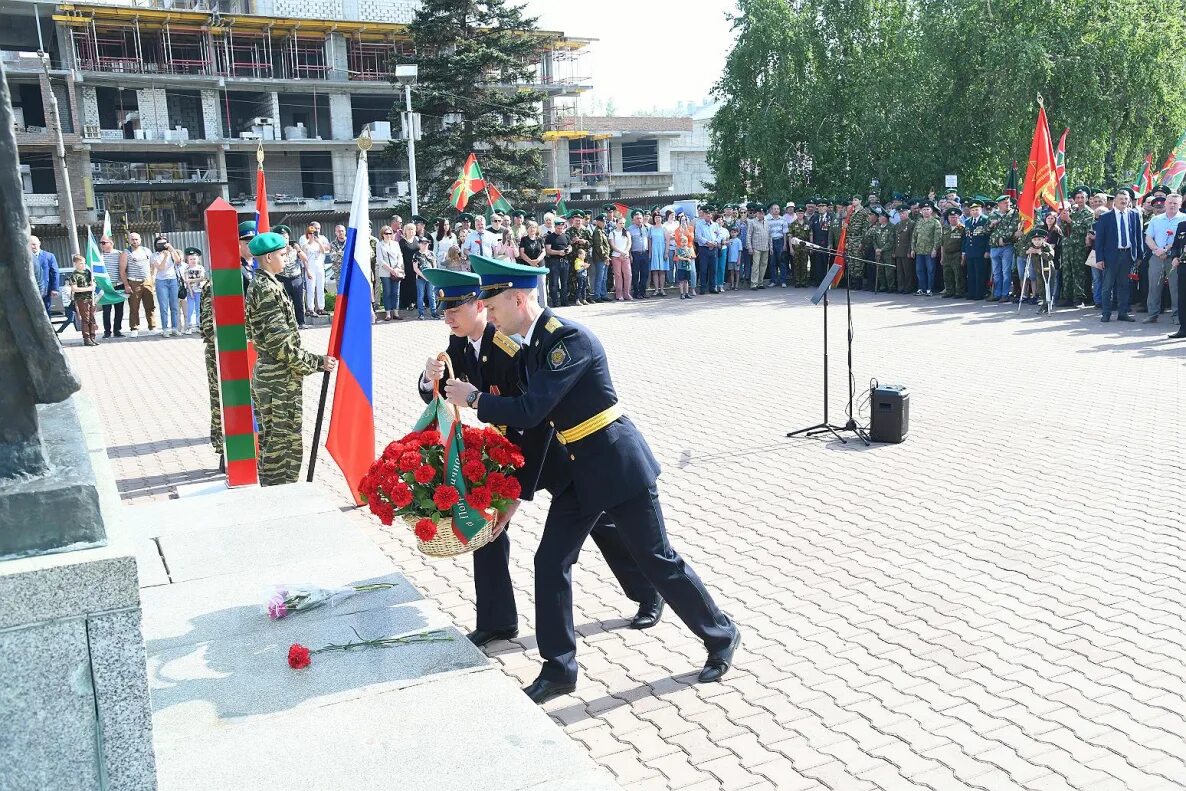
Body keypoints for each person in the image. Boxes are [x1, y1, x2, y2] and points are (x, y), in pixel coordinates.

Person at [446, 255, 741, 705]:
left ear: (519, 298)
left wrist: (477, 399)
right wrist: (512, 496)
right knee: (550, 562)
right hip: (577, 472)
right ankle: (560, 668)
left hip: (616, 465)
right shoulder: (532, 346)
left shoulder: (568, 340)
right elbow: (535, 430)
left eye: (495, 305)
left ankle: (721, 634)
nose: (492, 315)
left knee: (657, 559)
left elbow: (531, 410)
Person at [419, 267, 661, 647]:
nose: (447, 318)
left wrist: (515, 493)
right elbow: (445, 393)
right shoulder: (460, 346)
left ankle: (647, 592)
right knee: (487, 527)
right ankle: (498, 620)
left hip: (552, 453)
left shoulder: (512, 346)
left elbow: (537, 420)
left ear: (480, 306)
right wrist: (427, 377)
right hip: (506, 453)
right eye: (443, 311)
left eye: (454, 309)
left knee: (603, 524)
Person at [244, 232, 337, 486]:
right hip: (277, 379)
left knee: (285, 440)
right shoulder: (265, 289)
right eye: (283, 254)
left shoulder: (269, 283)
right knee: (279, 445)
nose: (287, 258)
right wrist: (318, 362)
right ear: (269, 257)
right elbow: (280, 344)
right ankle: (277, 499)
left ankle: (283, 493)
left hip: (282, 377)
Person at [1094, 187, 1141, 323]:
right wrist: (1100, 258)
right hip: (1111, 256)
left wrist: (1138, 256)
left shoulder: (1134, 215)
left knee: (1124, 285)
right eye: (1120, 199)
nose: (1123, 201)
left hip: (1127, 255)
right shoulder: (1105, 217)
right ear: (1114, 201)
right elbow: (1100, 240)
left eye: (1126, 199)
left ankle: (1123, 313)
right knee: (1107, 286)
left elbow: (1137, 236)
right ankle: (1106, 313)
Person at [1143, 191, 1183, 323]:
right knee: (1154, 286)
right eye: (1170, 202)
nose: (1172, 205)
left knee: (1176, 288)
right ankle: (1152, 314)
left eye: (1175, 203)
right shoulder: (1156, 219)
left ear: (1180, 204)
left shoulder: (1184, 219)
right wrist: (1156, 249)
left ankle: (1177, 315)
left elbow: (1181, 241)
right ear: (1165, 203)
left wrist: (1166, 249)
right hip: (1156, 257)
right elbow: (1148, 238)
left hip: (1176, 258)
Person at [198, 274, 223, 470]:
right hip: (222, 354)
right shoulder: (218, 281)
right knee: (222, 402)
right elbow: (209, 326)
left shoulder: (252, 274)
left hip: (248, 353)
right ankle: (225, 450)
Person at [120, 231, 156, 336]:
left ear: (140, 240)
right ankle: (134, 328)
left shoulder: (147, 251)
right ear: (129, 240)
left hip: (147, 281)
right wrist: (126, 284)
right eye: (132, 239)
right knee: (134, 307)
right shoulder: (126, 253)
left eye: (136, 239)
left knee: (150, 305)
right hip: (134, 282)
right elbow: (122, 270)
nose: (135, 241)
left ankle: (152, 326)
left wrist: (153, 277)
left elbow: (153, 264)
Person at [987, 196, 1020, 302]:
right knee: (996, 272)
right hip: (994, 247)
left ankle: (1005, 294)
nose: (1007, 204)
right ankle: (996, 293)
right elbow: (985, 230)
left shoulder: (1014, 214)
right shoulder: (992, 215)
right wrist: (991, 225)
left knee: (1006, 272)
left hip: (1007, 246)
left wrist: (1004, 239)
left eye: (1008, 202)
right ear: (999, 204)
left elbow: (1014, 229)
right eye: (1005, 203)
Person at [151, 234, 182, 336]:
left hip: (173, 280)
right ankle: (165, 329)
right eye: (160, 243)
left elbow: (178, 261)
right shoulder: (154, 255)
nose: (162, 245)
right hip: (161, 282)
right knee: (164, 306)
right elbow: (161, 268)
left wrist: (171, 249)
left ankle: (174, 328)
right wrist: (164, 256)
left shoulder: (171, 252)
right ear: (156, 245)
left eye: (164, 243)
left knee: (174, 306)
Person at [1020, 226, 1055, 313]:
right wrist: (1027, 252)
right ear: (1032, 240)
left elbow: (1051, 256)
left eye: (1039, 239)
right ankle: (1044, 303)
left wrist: (1040, 253)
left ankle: (1047, 305)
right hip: (1038, 270)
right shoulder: (1030, 245)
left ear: (1043, 239)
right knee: (1041, 288)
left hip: (1047, 270)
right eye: (1035, 240)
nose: (1037, 242)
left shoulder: (1046, 246)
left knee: (1048, 287)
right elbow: (1021, 253)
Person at [65, 254, 97, 347]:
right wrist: (88, 289)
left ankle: (93, 337)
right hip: (81, 299)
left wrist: (93, 285)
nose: (83, 265)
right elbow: (74, 289)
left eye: (84, 263)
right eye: (80, 263)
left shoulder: (87, 272)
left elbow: (93, 282)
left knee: (92, 318)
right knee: (85, 319)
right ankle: (87, 338)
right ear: (75, 264)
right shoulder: (74, 275)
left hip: (91, 298)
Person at [961, 201, 991, 300]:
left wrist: (987, 250)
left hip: (981, 251)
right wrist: (964, 252)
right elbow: (965, 237)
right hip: (970, 251)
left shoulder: (985, 220)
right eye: (973, 210)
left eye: (977, 210)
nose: (974, 212)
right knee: (971, 273)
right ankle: (972, 293)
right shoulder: (968, 221)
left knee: (980, 273)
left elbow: (988, 237)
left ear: (981, 210)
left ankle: (980, 293)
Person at [911, 202, 942, 296]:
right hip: (919, 250)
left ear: (931, 211)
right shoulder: (919, 221)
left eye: (928, 209)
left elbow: (938, 237)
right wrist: (912, 249)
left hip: (929, 251)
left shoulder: (935, 222)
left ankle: (929, 289)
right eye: (924, 210)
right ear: (921, 211)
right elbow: (914, 236)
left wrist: (935, 249)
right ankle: (921, 288)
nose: (926, 211)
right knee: (919, 270)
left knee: (930, 270)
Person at [376, 224, 404, 321]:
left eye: (390, 233)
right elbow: (380, 260)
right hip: (385, 272)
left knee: (396, 293)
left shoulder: (395, 244)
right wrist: (391, 270)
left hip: (396, 271)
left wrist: (396, 268)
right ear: (382, 234)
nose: (388, 235)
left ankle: (396, 312)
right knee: (387, 292)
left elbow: (400, 257)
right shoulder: (379, 244)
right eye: (386, 233)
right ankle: (388, 313)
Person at [301, 223, 330, 317]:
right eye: (311, 233)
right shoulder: (305, 245)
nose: (313, 235)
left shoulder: (318, 243)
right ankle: (310, 308)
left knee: (321, 288)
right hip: (310, 268)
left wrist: (319, 242)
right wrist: (307, 270)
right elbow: (304, 259)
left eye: (314, 233)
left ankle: (321, 307)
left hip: (319, 267)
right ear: (308, 235)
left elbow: (323, 251)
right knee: (311, 289)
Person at [99, 236, 125, 338]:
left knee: (119, 310)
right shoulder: (99, 256)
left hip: (119, 285)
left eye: (104, 242)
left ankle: (117, 330)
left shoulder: (120, 254)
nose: (102, 244)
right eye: (101, 243)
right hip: (106, 287)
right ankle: (107, 331)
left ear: (111, 243)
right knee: (106, 310)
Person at [518, 219, 548, 309]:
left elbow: (544, 251)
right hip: (528, 266)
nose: (532, 229)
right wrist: (531, 262)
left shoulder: (540, 239)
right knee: (530, 286)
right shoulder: (524, 240)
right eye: (531, 227)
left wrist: (537, 260)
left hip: (540, 265)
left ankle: (543, 306)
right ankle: (531, 306)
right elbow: (522, 253)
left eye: (534, 227)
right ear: (527, 229)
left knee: (542, 285)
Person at [1166, 209, 1186, 339]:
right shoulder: (1182, 225)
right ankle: (1183, 328)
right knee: (1183, 299)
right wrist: (1174, 257)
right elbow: (1175, 246)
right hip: (1183, 266)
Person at [544, 216, 572, 307]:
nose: (560, 230)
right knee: (554, 283)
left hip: (565, 262)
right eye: (558, 228)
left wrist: (568, 250)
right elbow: (548, 250)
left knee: (564, 283)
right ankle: (555, 302)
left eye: (561, 228)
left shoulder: (566, 236)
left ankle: (564, 302)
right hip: (554, 262)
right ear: (555, 227)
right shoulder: (550, 237)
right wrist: (559, 252)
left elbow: (570, 246)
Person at [939, 207, 966, 298]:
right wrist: (942, 257)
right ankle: (949, 291)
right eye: (951, 217)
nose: (953, 219)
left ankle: (959, 292)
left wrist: (963, 257)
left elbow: (964, 244)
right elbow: (942, 244)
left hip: (957, 254)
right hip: (946, 254)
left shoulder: (962, 228)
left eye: (955, 217)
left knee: (958, 274)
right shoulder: (945, 228)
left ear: (959, 218)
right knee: (947, 273)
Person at [30, 235, 59, 317]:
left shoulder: (49, 256)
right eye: (31, 244)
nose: (33, 246)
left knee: (46, 312)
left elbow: (55, 272)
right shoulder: (26, 258)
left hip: (45, 290)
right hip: (31, 290)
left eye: (35, 244)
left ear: (39, 243)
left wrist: (55, 288)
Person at [412, 235, 440, 320]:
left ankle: (434, 313)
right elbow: (415, 268)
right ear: (419, 244)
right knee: (420, 295)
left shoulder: (432, 254)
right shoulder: (416, 254)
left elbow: (434, 266)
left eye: (426, 243)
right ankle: (421, 313)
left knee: (431, 295)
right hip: (420, 277)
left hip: (431, 278)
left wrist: (432, 276)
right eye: (423, 243)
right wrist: (424, 276)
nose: (425, 245)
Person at [745, 206, 771, 289]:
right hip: (756, 247)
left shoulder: (767, 222)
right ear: (756, 213)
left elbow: (770, 235)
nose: (761, 215)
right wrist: (749, 247)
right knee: (755, 266)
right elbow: (748, 235)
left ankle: (760, 283)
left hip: (766, 247)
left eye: (762, 213)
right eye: (759, 213)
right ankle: (754, 284)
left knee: (763, 265)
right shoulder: (752, 222)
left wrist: (771, 247)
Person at [182, 248, 205, 334]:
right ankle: (189, 326)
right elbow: (186, 280)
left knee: (198, 308)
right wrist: (191, 291)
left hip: (199, 290)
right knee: (190, 309)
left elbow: (202, 278)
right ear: (187, 260)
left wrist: (191, 281)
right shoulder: (186, 268)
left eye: (194, 259)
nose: (193, 261)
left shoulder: (200, 268)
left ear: (198, 259)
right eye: (191, 259)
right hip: (190, 291)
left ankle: (199, 324)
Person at [609, 216, 632, 301]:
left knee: (628, 275)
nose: (622, 225)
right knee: (618, 275)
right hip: (616, 256)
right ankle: (619, 294)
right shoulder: (613, 233)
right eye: (620, 223)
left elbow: (629, 244)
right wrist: (621, 252)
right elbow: (612, 245)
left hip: (625, 256)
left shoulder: (627, 232)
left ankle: (627, 293)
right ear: (616, 223)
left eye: (623, 223)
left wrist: (625, 252)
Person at [627, 211, 649, 299]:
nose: (639, 220)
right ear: (633, 220)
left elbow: (649, 241)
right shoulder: (629, 229)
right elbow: (628, 243)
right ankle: (636, 293)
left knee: (645, 274)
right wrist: (630, 255)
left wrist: (649, 253)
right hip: (635, 254)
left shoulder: (646, 228)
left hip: (645, 253)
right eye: (637, 218)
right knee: (635, 274)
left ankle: (643, 291)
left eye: (640, 218)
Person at [589, 214, 611, 303]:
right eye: (602, 221)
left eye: (605, 221)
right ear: (597, 222)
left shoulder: (602, 231)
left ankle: (603, 294)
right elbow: (599, 246)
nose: (604, 223)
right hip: (600, 258)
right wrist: (605, 257)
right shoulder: (597, 231)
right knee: (600, 277)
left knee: (604, 277)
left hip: (604, 258)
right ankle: (597, 295)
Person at [673, 219, 697, 300]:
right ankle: (682, 293)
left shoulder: (690, 228)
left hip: (689, 251)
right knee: (681, 274)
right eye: (682, 220)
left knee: (692, 271)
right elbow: (677, 240)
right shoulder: (677, 230)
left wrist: (686, 230)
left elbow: (691, 239)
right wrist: (681, 232)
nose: (684, 221)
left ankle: (692, 289)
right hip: (680, 252)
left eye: (685, 220)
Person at [647, 211, 668, 296]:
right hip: (654, 251)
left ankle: (662, 290)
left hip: (662, 250)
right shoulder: (651, 228)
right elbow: (649, 240)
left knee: (662, 271)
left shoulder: (664, 228)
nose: (658, 219)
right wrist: (650, 253)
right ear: (654, 219)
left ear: (661, 218)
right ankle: (656, 290)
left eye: (659, 217)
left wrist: (666, 252)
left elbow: (667, 241)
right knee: (655, 271)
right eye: (656, 217)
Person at [725, 226, 743, 291]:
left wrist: (739, 260)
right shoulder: (729, 241)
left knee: (737, 272)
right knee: (731, 272)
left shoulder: (738, 241)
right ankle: (732, 285)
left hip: (736, 259)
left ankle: (737, 285)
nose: (733, 234)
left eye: (735, 232)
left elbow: (740, 251)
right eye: (732, 232)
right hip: (730, 259)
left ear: (737, 233)